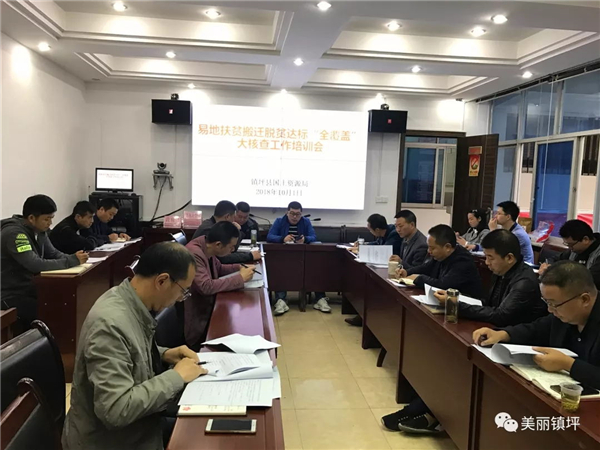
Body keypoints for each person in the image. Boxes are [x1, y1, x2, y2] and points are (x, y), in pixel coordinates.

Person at [382, 230, 548, 435]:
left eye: (490, 258)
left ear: (509, 258)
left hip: (516, 344)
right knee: (447, 358)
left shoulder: (524, 281)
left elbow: (501, 315)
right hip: (497, 334)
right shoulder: (503, 272)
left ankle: (431, 414)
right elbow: (488, 304)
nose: (486, 262)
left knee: (459, 364)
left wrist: (456, 304)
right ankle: (424, 409)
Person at [62, 242, 206, 450]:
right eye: (183, 291)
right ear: (162, 281)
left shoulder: (128, 298)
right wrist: (177, 376)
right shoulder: (110, 324)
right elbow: (115, 410)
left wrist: (164, 354)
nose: (180, 299)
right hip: (111, 442)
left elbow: (128, 353)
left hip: (141, 427)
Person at [474, 260, 600, 390]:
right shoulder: (563, 314)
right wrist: (503, 334)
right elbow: (536, 329)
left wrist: (568, 364)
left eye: (554, 304)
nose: (550, 310)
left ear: (584, 299)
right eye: (547, 303)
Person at [1, 195, 88, 329]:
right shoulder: (15, 234)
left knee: (64, 301)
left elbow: (53, 254)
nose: (50, 223)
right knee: (50, 312)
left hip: (30, 288)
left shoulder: (39, 231)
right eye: (46, 219)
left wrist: (74, 258)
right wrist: (71, 261)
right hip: (10, 294)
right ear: (31, 218)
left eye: (51, 218)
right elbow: (35, 264)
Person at [185, 222, 256, 350]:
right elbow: (206, 286)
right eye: (231, 247)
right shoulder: (194, 253)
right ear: (218, 245)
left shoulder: (207, 246)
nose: (233, 250)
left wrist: (239, 267)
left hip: (207, 307)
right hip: (197, 315)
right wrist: (240, 278)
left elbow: (219, 268)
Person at [267, 201, 330, 315]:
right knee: (279, 268)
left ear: (301, 214)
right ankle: (281, 300)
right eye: (292, 213)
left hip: (303, 258)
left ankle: (320, 298)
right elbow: (270, 236)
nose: (295, 217)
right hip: (284, 257)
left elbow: (313, 236)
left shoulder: (306, 221)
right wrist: (282, 239)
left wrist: (305, 239)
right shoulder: (279, 221)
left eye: (298, 214)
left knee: (316, 267)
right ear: (287, 213)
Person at [345, 213, 403, 326]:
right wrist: (362, 246)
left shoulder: (394, 235)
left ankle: (367, 317)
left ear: (377, 230)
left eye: (370, 229)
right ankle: (362, 314)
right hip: (385, 266)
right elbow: (377, 243)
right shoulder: (383, 232)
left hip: (393, 269)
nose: (370, 232)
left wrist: (362, 248)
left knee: (372, 285)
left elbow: (384, 249)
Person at [396, 224, 483, 299]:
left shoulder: (463, 261)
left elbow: (443, 285)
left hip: (466, 306)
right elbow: (426, 267)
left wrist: (419, 278)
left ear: (447, 247)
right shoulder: (441, 256)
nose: (429, 251)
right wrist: (407, 272)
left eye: (432, 248)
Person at [192, 200, 260, 264]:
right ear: (227, 217)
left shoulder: (211, 224)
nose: (234, 220)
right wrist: (249, 256)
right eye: (233, 217)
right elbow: (223, 257)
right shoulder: (209, 230)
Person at [539, 219, 600, 289]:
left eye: (571, 245)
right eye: (567, 244)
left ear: (585, 239)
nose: (570, 248)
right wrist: (547, 266)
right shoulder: (574, 250)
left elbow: (589, 279)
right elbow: (554, 259)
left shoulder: (597, 253)